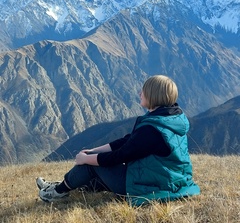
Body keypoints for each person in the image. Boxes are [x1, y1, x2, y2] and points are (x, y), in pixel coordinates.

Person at [37, 75, 200, 205]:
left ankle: (56, 192)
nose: (140, 94)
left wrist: (87, 158)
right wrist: (95, 151)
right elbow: (128, 141)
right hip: (166, 181)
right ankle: (63, 185)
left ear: (153, 95)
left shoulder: (152, 130)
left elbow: (120, 156)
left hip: (149, 187)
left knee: (91, 165)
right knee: (97, 167)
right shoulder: (168, 119)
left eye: (143, 91)